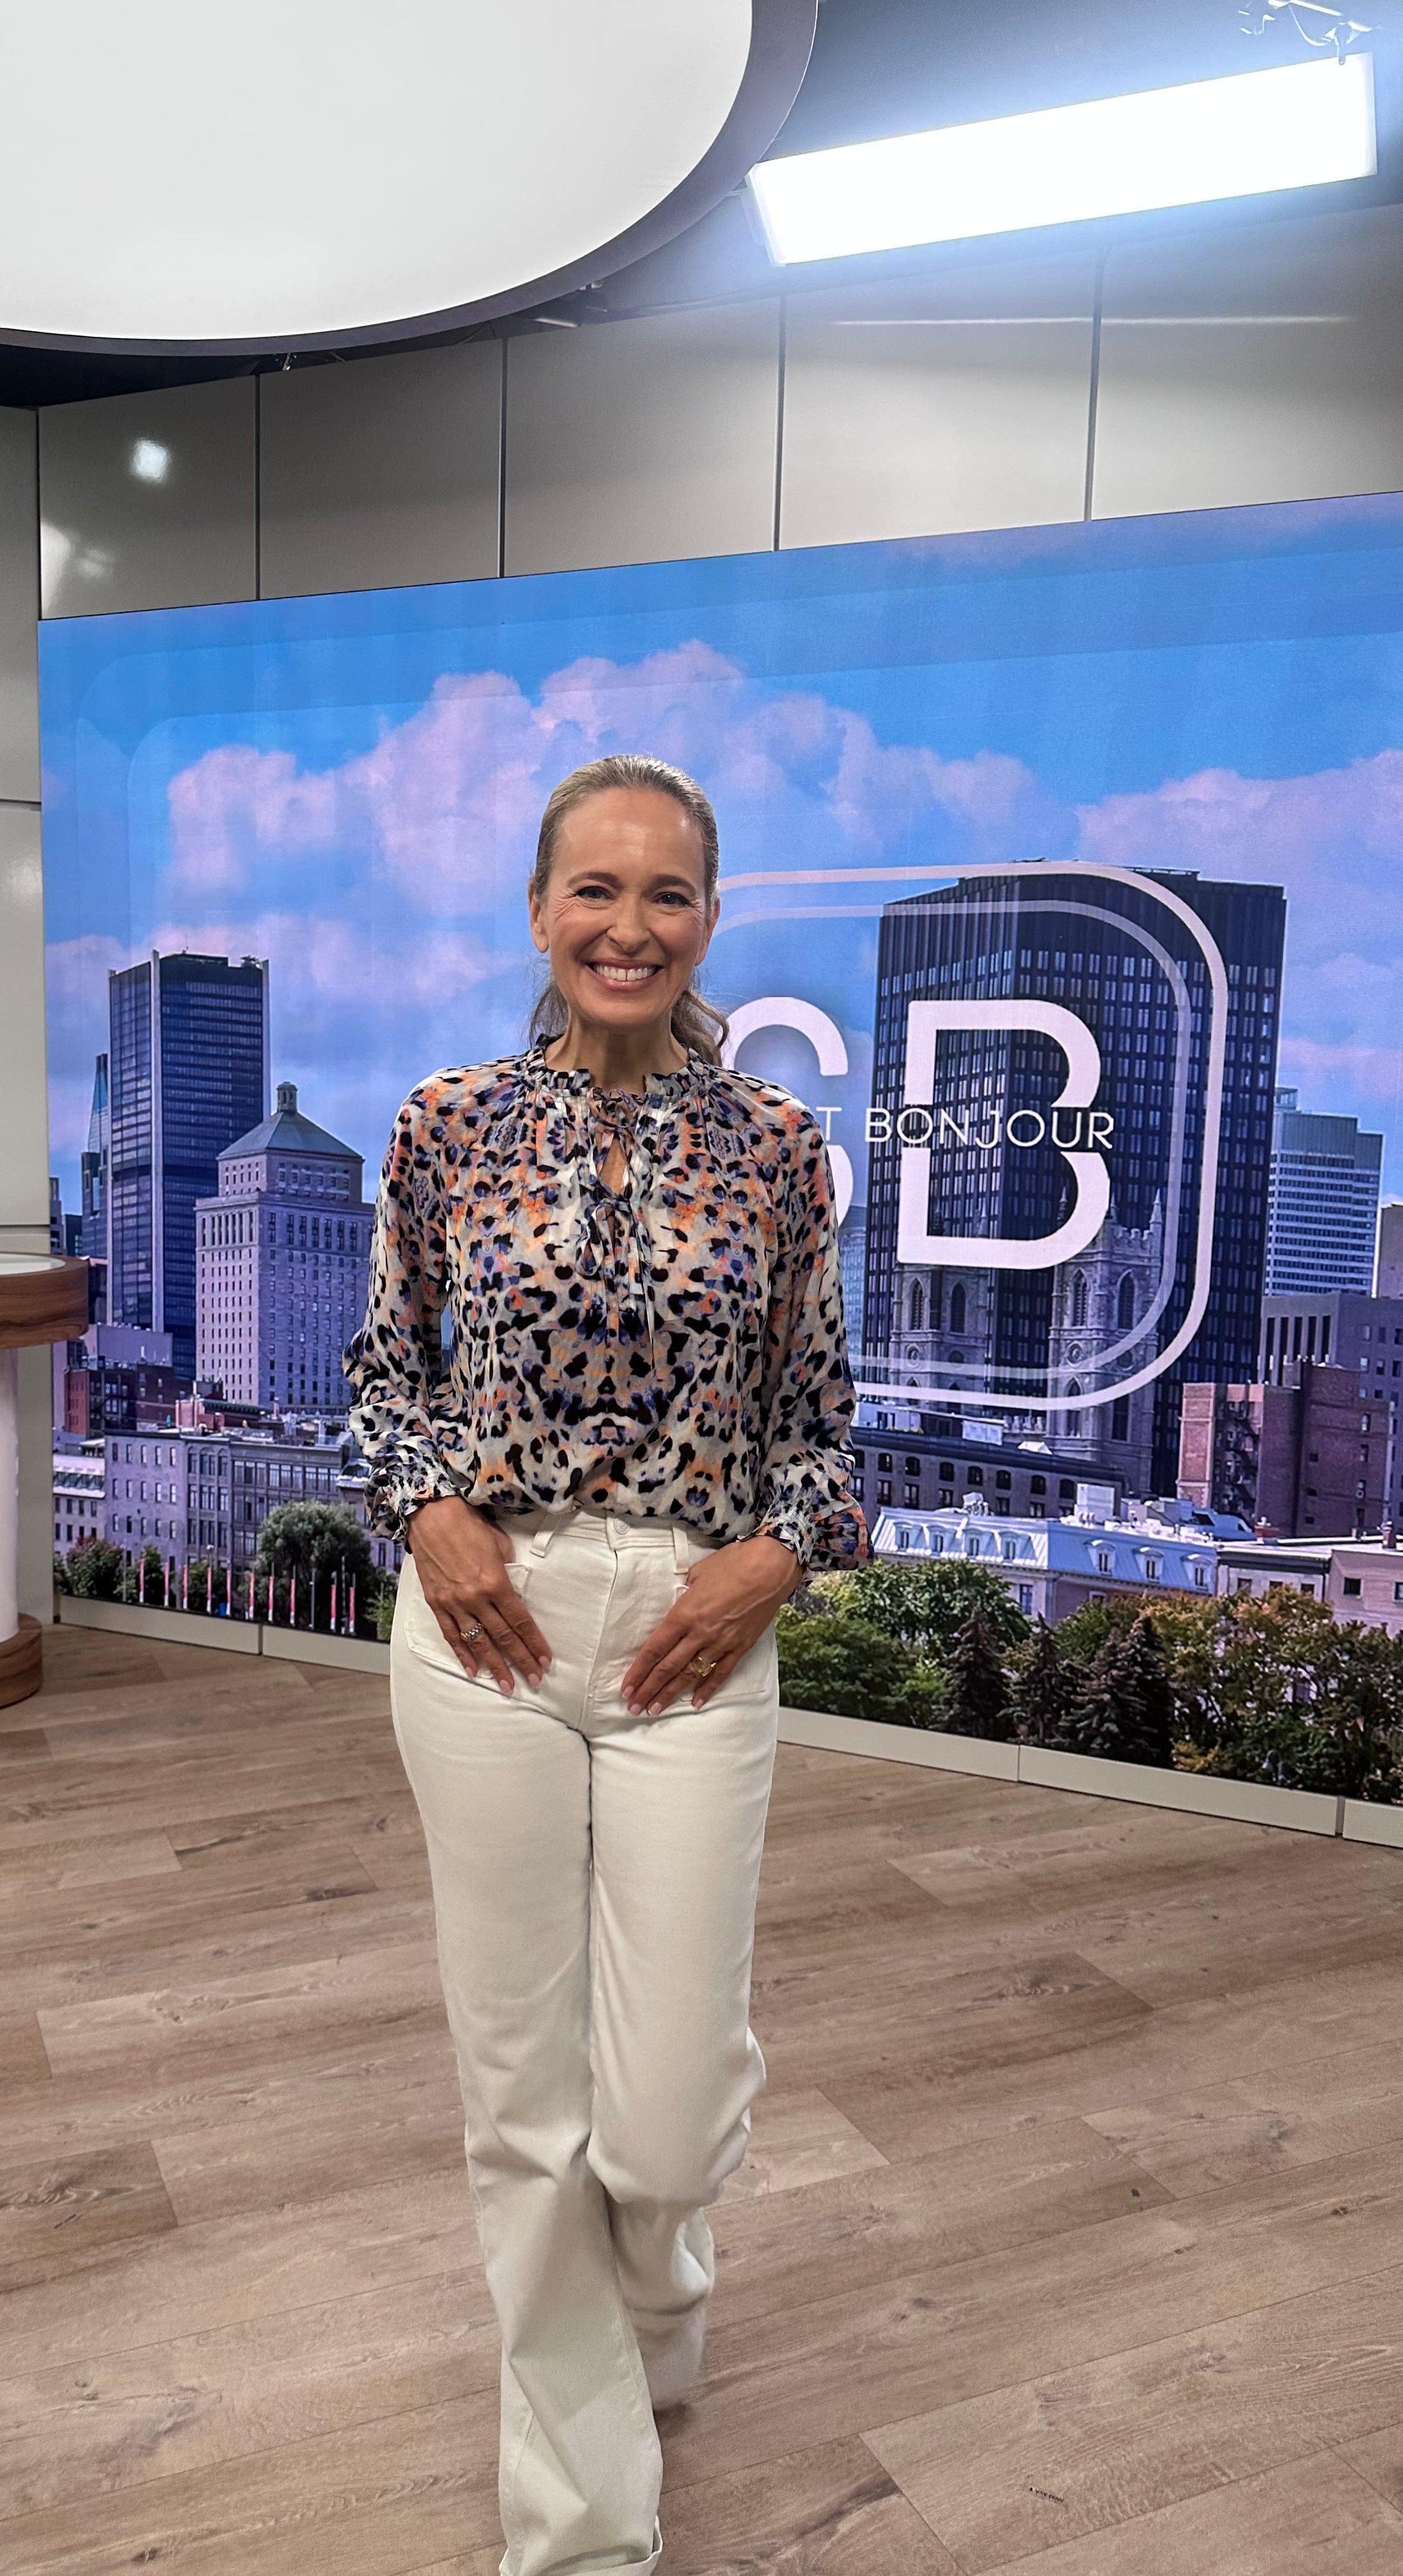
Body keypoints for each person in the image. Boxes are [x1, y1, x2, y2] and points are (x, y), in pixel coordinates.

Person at [346, 753, 863, 2575]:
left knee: (658, 2127)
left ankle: (665, 2274)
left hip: (694, 1631)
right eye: (596, 889)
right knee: (523, 2102)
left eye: (665, 894)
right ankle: (581, 2529)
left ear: (710, 920)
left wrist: (774, 1560)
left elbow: (822, 1428)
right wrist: (430, 1516)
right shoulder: (446, 1125)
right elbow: (381, 1377)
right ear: (539, 910)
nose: (628, 925)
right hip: (483, 1624)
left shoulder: (778, 1147)